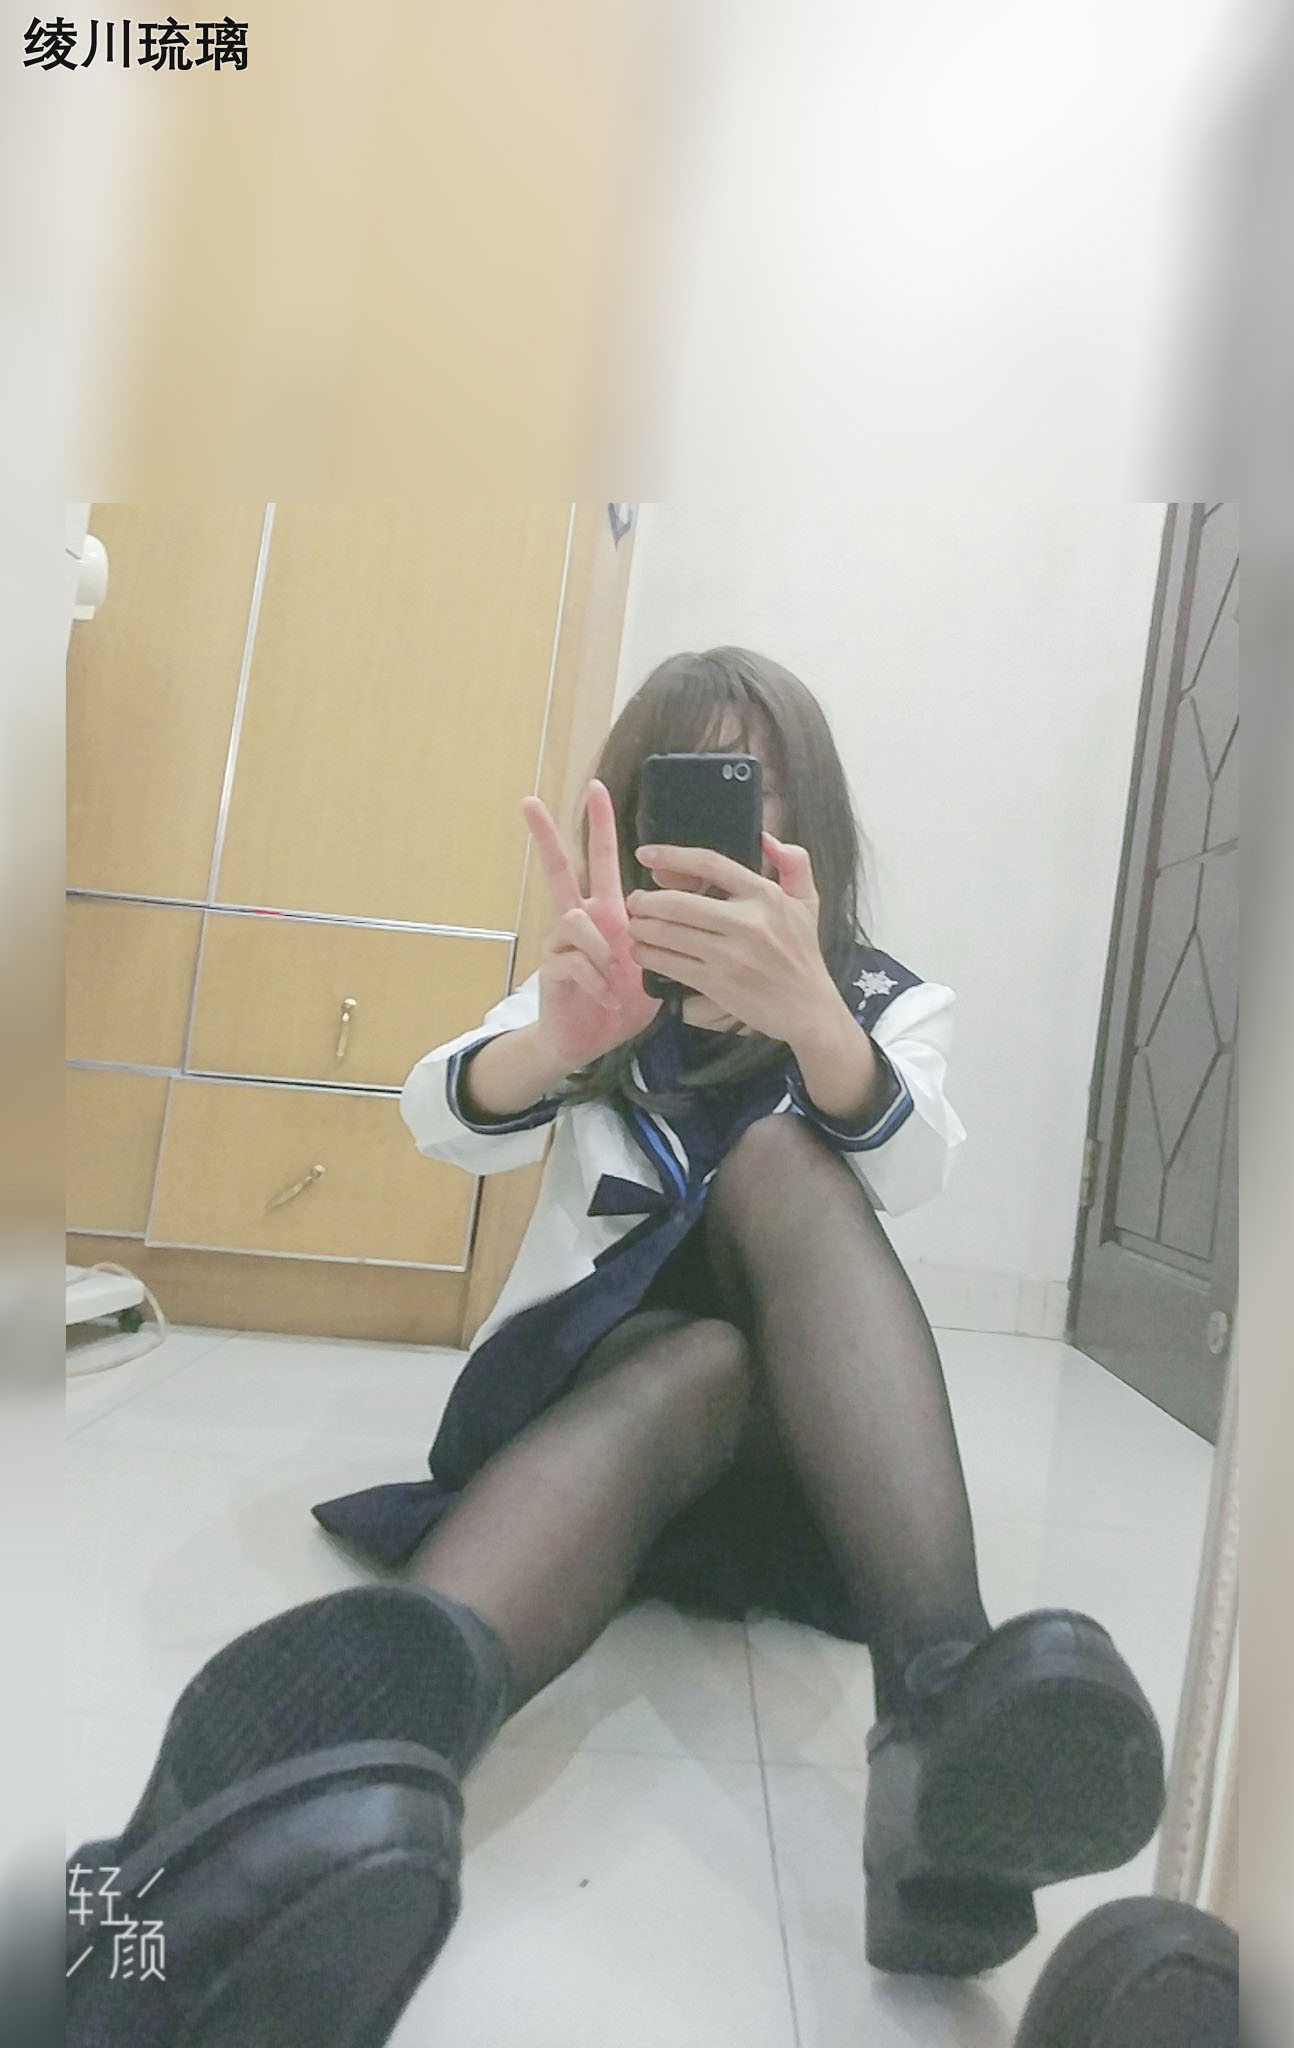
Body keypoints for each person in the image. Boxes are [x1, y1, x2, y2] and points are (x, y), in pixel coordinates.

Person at [64, 650, 1165, 2045]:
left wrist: (815, 1018)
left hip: (792, 1449)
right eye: (684, 783)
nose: (727, 823)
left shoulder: (881, 1000)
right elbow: (440, 1115)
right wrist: (556, 1041)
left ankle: (933, 1701)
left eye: (755, 785)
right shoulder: (597, 971)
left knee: (778, 1167)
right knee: (698, 1359)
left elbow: (912, 1167)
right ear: (633, 811)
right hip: (591, 1391)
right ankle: (223, 1870)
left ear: (809, 815)